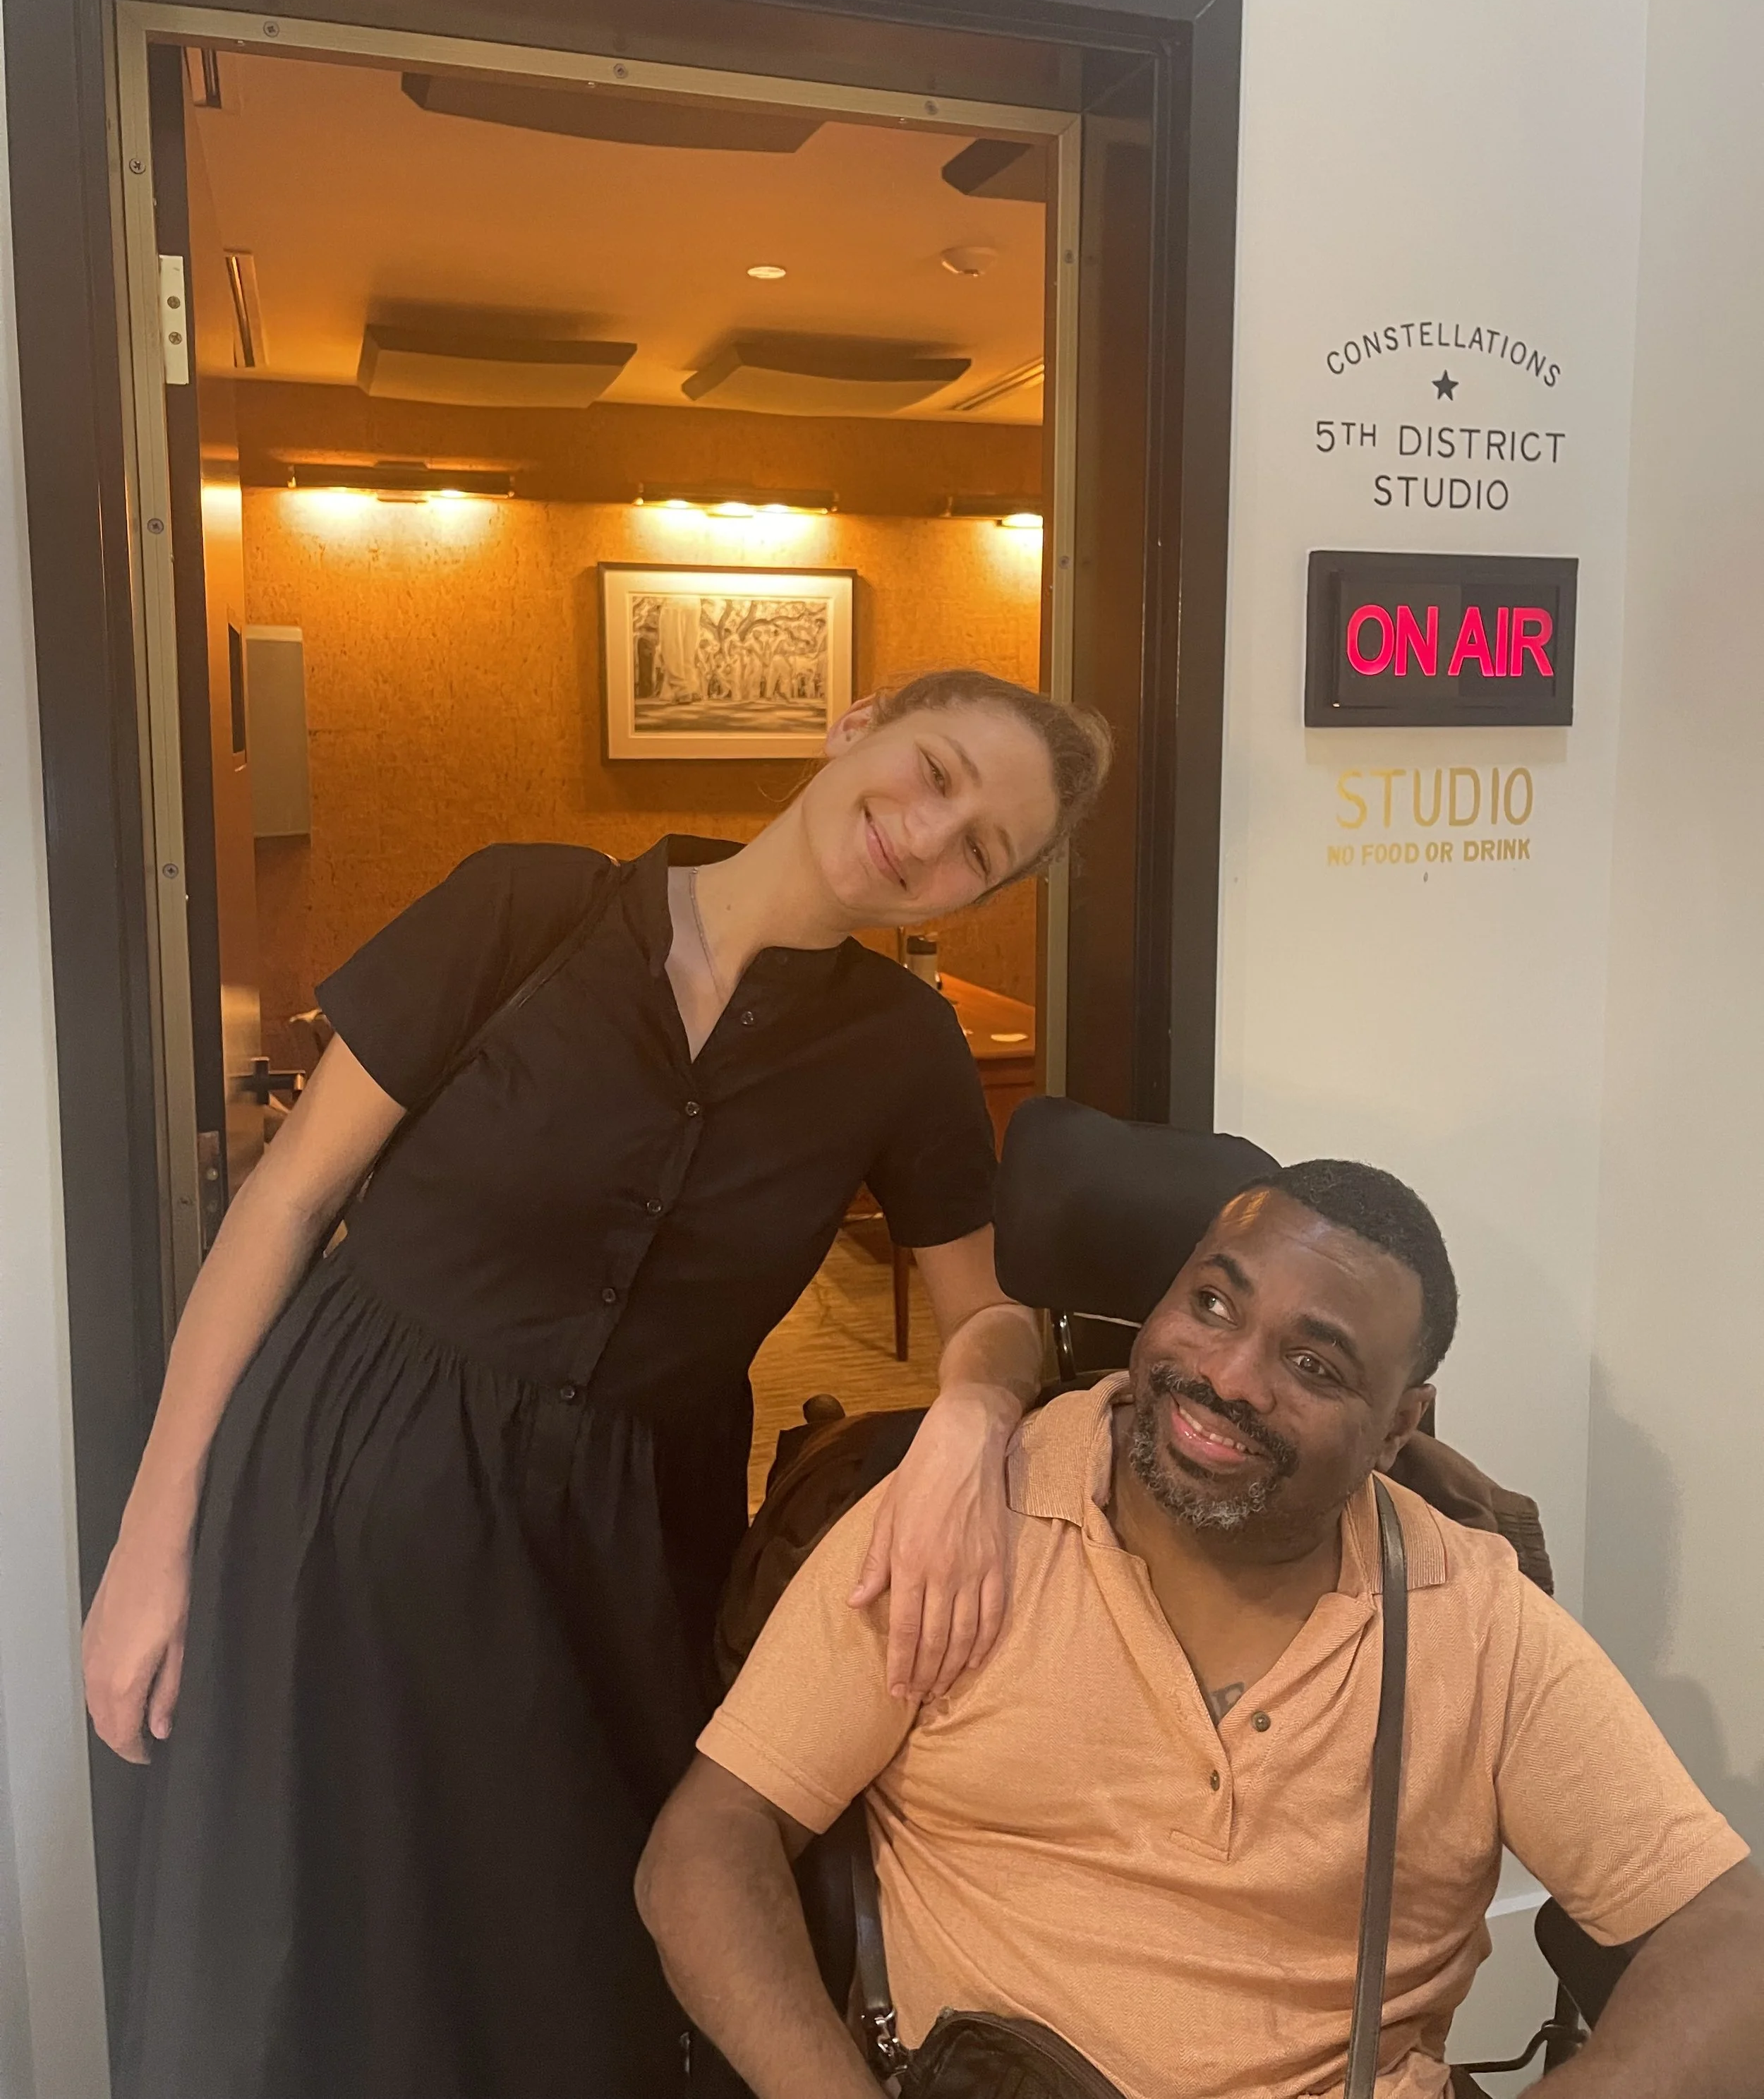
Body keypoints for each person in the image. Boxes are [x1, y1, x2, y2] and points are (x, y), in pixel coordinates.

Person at [83, 666, 1111, 2099]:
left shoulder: (899, 1049)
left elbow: (987, 1314)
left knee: (556, 1967)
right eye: (935, 772)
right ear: (858, 724)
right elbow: (285, 1203)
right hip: (334, 1493)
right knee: (291, 1937)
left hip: (611, 1561)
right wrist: (151, 1543)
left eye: (977, 846)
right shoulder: (527, 910)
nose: (927, 834)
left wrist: (969, 1409)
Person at [639, 1161, 1764, 2099]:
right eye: (1212, 1306)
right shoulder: (968, 1523)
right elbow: (709, 1846)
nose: (1227, 1377)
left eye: (1313, 1364)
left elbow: (1733, 1941)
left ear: (1397, 1428)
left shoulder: (1474, 1620)